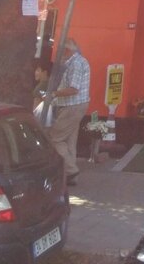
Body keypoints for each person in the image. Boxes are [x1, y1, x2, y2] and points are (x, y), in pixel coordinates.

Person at [45, 38, 90, 185]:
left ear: (66, 50)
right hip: (76, 106)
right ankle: (70, 177)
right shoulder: (79, 61)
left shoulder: (75, 64)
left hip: (71, 106)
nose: (58, 53)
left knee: (55, 139)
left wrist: (53, 94)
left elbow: (73, 89)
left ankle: (71, 170)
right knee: (70, 141)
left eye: (60, 50)